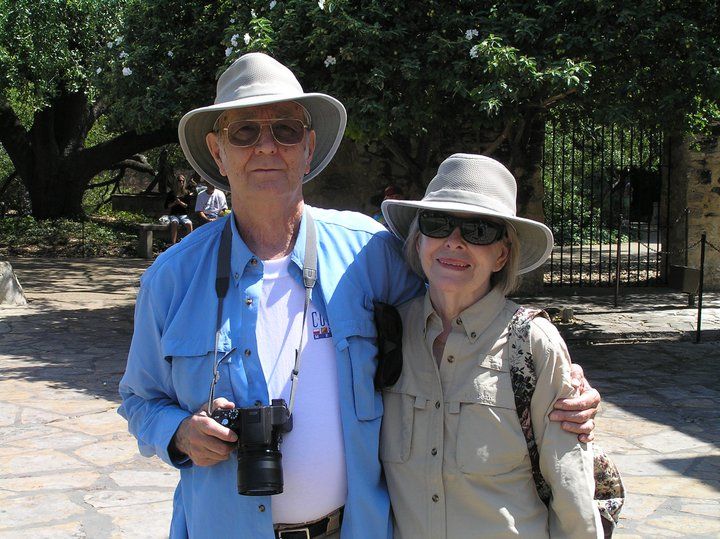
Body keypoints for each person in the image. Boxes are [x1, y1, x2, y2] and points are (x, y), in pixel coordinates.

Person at [118, 53, 600, 539]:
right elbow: (140, 399)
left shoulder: (369, 253)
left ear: (307, 147)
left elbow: (457, 316)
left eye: (284, 130)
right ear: (217, 150)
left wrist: (554, 378)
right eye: (244, 131)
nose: (266, 146)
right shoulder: (172, 278)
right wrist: (178, 433)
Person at [380, 154, 602, 538]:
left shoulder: (532, 343)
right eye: (438, 224)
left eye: (478, 231)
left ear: (502, 254)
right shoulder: (387, 333)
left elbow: (571, 486)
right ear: (419, 241)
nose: (454, 242)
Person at [164, 174, 194, 244]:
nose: (181, 182)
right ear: (176, 182)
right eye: (179, 181)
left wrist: (180, 203)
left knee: (189, 224)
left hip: (183, 214)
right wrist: (174, 203)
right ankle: (173, 244)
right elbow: (166, 206)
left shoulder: (186, 193)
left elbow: (188, 206)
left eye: (183, 181)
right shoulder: (171, 193)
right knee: (174, 223)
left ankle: (189, 243)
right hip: (174, 214)